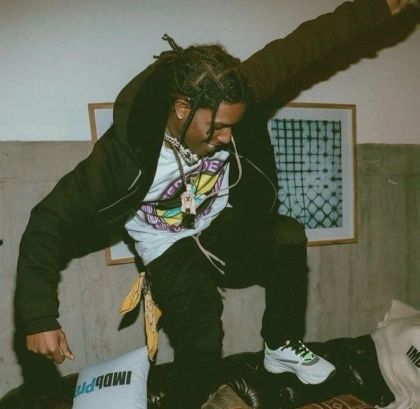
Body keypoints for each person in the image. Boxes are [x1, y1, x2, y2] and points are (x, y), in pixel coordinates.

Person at [15, 0, 409, 407]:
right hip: (165, 245)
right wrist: (39, 318)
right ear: (182, 109)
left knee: (287, 234)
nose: (225, 139)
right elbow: (48, 221)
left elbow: (304, 46)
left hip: (217, 224)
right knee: (203, 336)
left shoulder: (232, 88)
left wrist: (375, 9)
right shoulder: (121, 155)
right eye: (217, 127)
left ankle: (280, 344)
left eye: (231, 127)